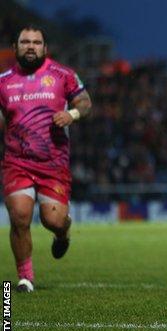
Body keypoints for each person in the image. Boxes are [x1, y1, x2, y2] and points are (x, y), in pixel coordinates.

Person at [0, 25, 92, 292]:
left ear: (45, 48)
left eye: (37, 42)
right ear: (15, 48)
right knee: (19, 216)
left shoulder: (62, 75)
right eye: (25, 42)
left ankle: (63, 232)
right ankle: (25, 277)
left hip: (53, 163)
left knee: (53, 220)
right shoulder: (4, 81)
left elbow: (85, 102)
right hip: (16, 161)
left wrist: (72, 115)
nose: (31, 46)